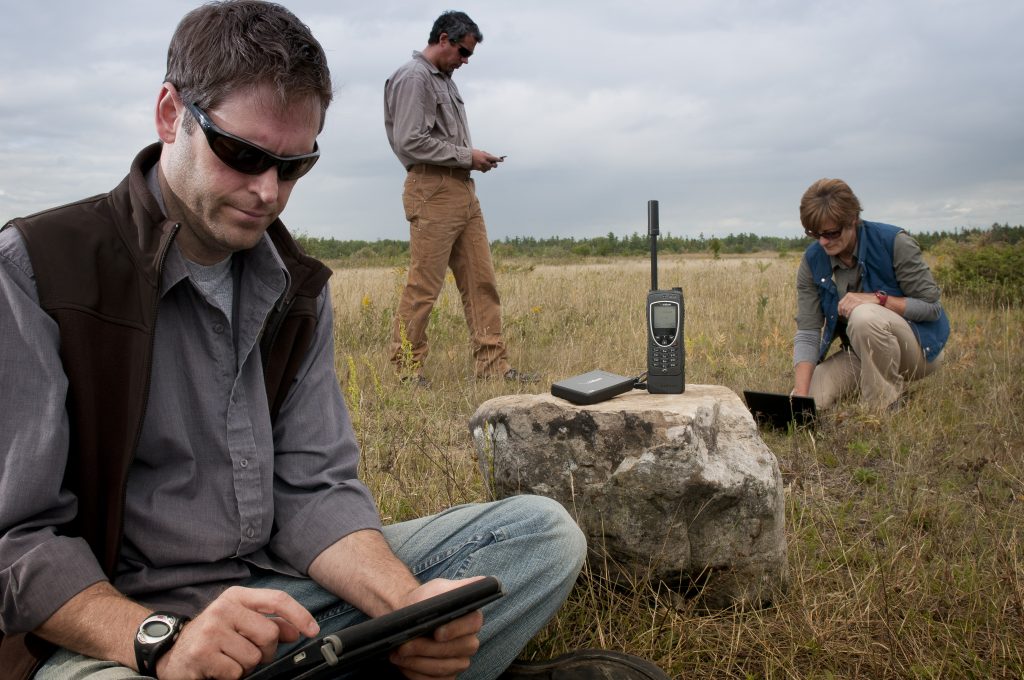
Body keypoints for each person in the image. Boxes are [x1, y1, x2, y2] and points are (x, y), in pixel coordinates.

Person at [0, 3, 668, 679]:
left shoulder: (296, 287)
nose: (268, 192)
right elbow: (17, 541)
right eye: (243, 155)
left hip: (286, 599)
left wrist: (409, 609)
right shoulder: (35, 268)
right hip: (119, 632)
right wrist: (162, 642)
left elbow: (315, 491)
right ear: (171, 114)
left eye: (295, 166)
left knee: (539, 534)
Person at [384, 11, 537, 388]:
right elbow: (409, 141)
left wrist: (469, 161)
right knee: (424, 286)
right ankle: (406, 371)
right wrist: (468, 156)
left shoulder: (445, 80)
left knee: (481, 281)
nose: (465, 60)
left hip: (462, 189)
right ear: (443, 39)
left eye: (469, 54)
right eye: (463, 52)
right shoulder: (414, 77)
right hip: (432, 189)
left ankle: (493, 367)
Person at [792, 178, 950, 410]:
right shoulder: (812, 259)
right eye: (814, 234)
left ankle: (883, 407)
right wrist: (800, 397)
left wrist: (879, 299)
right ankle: (867, 385)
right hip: (861, 353)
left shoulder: (894, 242)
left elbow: (931, 308)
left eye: (832, 233)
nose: (823, 241)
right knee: (812, 397)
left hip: (918, 351)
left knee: (864, 315)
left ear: (853, 220)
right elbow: (808, 331)